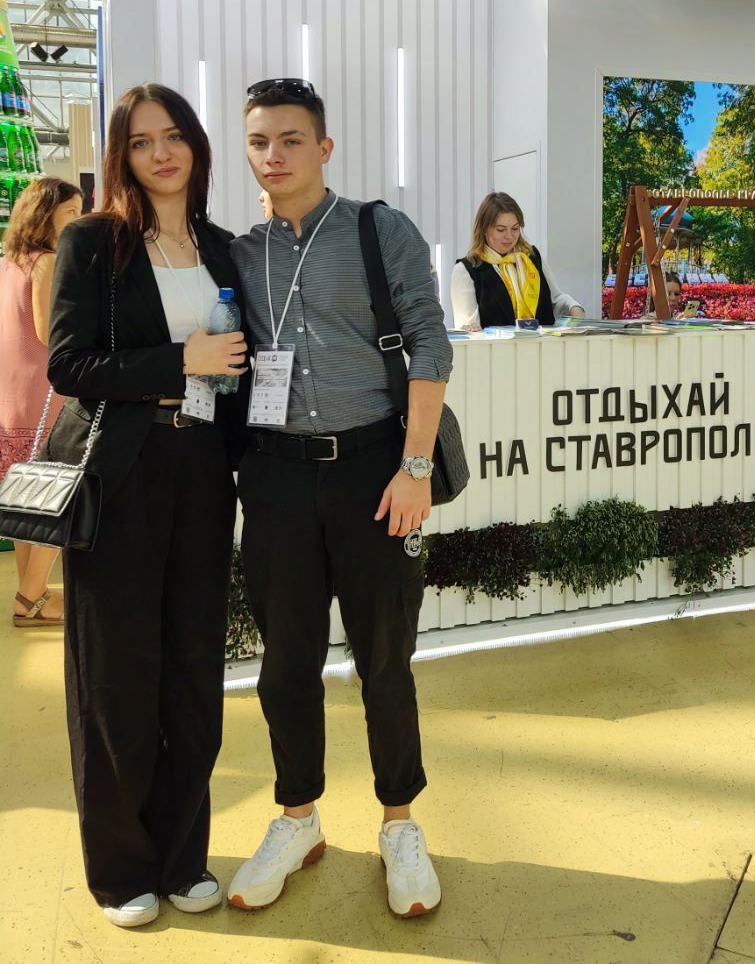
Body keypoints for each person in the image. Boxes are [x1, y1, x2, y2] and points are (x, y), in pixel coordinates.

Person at [229, 77, 452, 919]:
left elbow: (430, 341)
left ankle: (400, 825)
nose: (274, 155)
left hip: (374, 469)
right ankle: (297, 820)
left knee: (384, 658)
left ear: (323, 148)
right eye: (260, 142)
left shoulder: (377, 229)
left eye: (291, 139)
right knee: (285, 662)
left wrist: (415, 466)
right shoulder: (241, 253)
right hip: (277, 475)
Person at [45, 84, 247, 929]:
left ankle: (181, 855)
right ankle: (120, 868)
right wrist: (178, 361)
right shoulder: (94, 242)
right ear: (121, 156)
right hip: (122, 474)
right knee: (116, 675)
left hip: (203, 471)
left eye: (173, 136)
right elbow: (69, 365)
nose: (160, 153)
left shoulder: (226, 248)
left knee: (194, 670)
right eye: (140, 141)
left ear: (195, 145)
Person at [0, 177, 82, 626]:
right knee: (54, 493)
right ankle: (31, 598)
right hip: (44, 393)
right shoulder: (47, 262)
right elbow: (49, 332)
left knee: (23, 496)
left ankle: (28, 594)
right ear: (45, 215)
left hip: (12, 395)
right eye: (71, 212)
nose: (79, 220)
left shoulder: (10, 261)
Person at [451, 192, 585, 330]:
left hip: (542, 343)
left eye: (515, 228)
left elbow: (555, 300)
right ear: (483, 229)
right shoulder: (466, 270)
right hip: (497, 344)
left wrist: (573, 307)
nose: (509, 236)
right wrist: (469, 328)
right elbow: (468, 326)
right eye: (500, 230)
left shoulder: (532, 257)